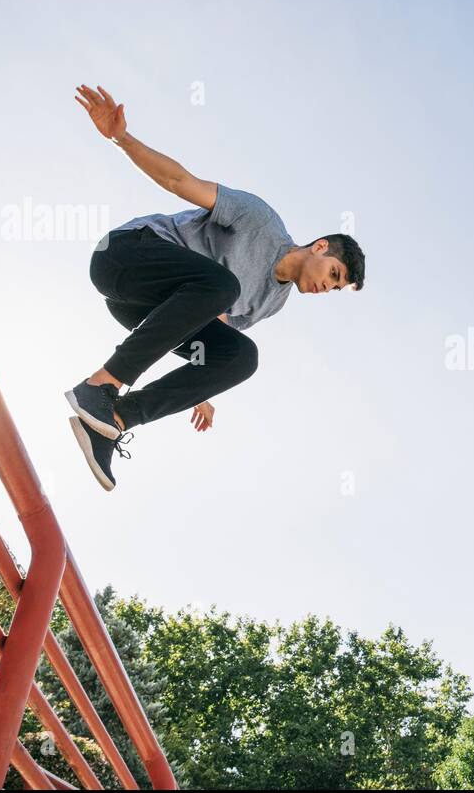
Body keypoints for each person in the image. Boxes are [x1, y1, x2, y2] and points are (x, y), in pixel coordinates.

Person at [65, 84, 365, 490]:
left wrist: (199, 387)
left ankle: (112, 421)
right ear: (320, 247)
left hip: (141, 309)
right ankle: (99, 386)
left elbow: (210, 327)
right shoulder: (260, 220)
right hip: (125, 257)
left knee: (242, 356)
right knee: (222, 285)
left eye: (334, 289)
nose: (325, 288)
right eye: (332, 275)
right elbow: (178, 180)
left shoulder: (273, 301)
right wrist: (121, 137)